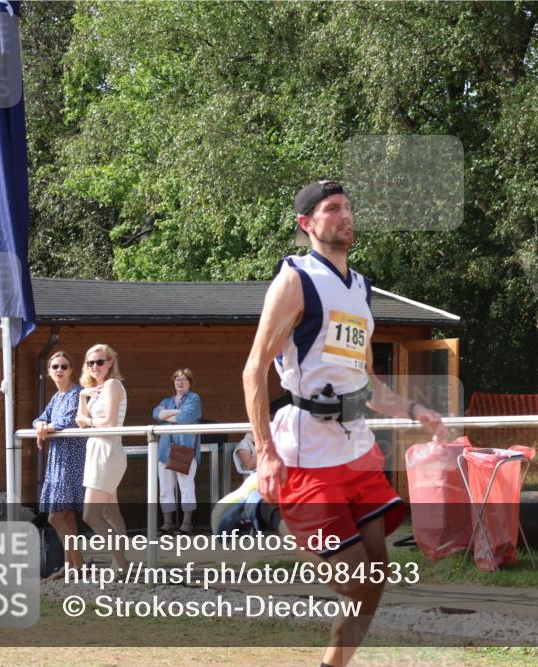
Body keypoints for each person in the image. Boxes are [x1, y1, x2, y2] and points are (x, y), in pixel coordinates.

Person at [242, 180, 447, 667]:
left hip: (354, 446)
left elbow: (365, 379)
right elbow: (253, 370)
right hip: (305, 451)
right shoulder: (295, 278)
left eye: (349, 208)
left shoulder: (360, 287)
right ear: (306, 224)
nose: (345, 215)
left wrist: (415, 412)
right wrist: (265, 453)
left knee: (377, 572)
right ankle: (272, 514)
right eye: (332, 209)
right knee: (355, 575)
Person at [76, 344, 129, 569]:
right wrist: (81, 396)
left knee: (91, 515)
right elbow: (80, 419)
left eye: (99, 362)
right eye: (90, 363)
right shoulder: (96, 390)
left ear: (110, 363)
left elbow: (108, 422)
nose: (95, 367)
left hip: (107, 452)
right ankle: (120, 565)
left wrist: (87, 421)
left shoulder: (112, 385)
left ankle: (122, 565)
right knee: (109, 510)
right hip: (97, 450)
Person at [33, 351, 86, 577]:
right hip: (56, 459)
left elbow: (69, 421)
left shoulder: (77, 393)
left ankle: (80, 564)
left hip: (71, 459)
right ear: (49, 372)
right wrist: (40, 426)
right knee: (66, 516)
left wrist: (47, 426)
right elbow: (40, 418)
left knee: (55, 516)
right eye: (55, 367)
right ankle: (70, 565)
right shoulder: (56, 397)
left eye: (64, 366)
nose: (59, 370)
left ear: (71, 370)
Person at [152, 368, 203, 535]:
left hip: (184, 449)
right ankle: (168, 523)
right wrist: (175, 413)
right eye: (177, 380)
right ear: (173, 382)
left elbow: (185, 418)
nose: (180, 382)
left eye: (184, 380)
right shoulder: (166, 400)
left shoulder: (194, 398)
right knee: (165, 489)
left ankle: (186, 524)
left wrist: (168, 416)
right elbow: (156, 414)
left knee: (186, 487)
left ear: (190, 383)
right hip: (165, 451)